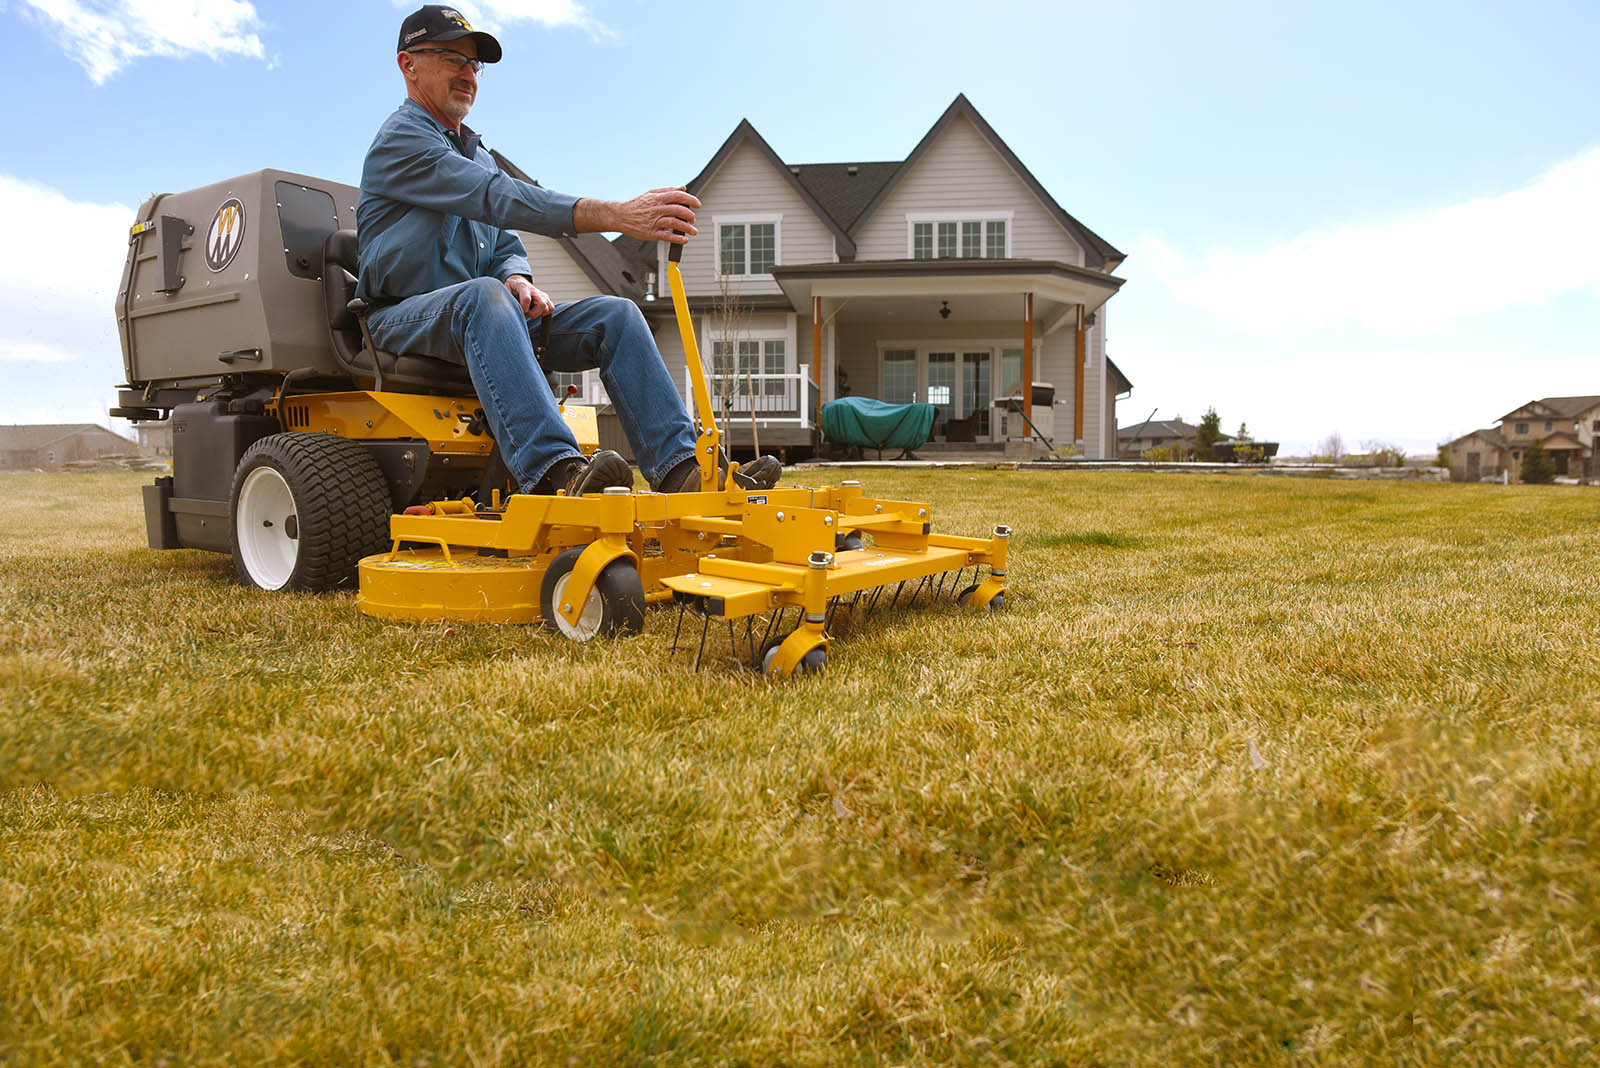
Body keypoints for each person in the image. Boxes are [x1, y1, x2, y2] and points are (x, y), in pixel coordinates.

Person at [358, 5, 779, 496]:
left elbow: (503, 242)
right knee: (484, 296)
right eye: (453, 58)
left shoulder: (476, 154)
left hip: (483, 317)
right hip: (400, 319)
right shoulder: (401, 140)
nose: (469, 74)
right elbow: (499, 199)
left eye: (475, 65)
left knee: (616, 315)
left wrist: (517, 277)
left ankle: (683, 471)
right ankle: (556, 473)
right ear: (408, 65)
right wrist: (617, 215)